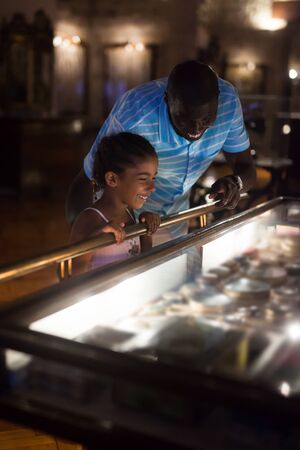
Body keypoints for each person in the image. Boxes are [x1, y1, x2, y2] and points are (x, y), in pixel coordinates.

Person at [67, 60, 256, 243]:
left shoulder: (228, 103)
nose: (196, 128)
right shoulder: (134, 115)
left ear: (218, 102)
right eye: (184, 118)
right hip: (122, 226)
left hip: (174, 219)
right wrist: (82, 242)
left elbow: (246, 167)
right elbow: (87, 178)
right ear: (167, 100)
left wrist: (235, 183)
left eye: (206, 119)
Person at [70, 132, 160, 272]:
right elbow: (71, 273)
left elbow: (143, 262)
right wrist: (96, 239)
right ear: (112, 179)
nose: (152, 187)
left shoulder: (129, 213)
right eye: (143, 179)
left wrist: (146, 229)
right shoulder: (88, 219)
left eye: (153, 178)